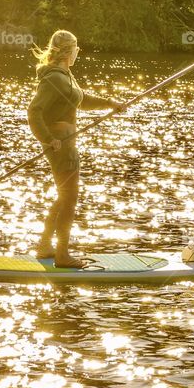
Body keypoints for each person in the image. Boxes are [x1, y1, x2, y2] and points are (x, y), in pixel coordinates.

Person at [28, 30, 124, 268]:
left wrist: (110, 104)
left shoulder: (65, 76)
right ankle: (62, 255)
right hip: (60, 143)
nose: (77, 53)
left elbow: (80, 99)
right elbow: (34, 111)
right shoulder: (54, 78)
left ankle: (45, 247)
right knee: (70, 198)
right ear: (69, 51)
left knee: (64, 197)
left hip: (67, 141)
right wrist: (48, 138)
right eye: (77, 49)